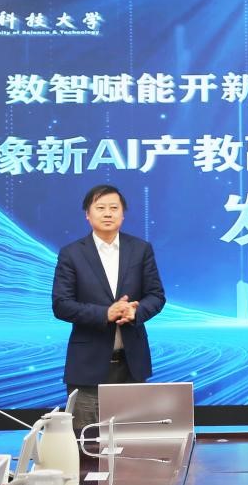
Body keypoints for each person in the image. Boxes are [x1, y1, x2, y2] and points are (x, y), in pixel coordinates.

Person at [53, 185, 167, 434]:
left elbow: (156, 296)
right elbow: (61, 305)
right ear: (88, 214)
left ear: (122, 214)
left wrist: (136, 312)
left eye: (114, 208)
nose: (108, 213)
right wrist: (105, 314)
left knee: (133, 439)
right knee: (87, 442)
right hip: (87, 367)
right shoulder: (72, 254)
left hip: (131, 364)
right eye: (100, 208)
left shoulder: (140, 249)